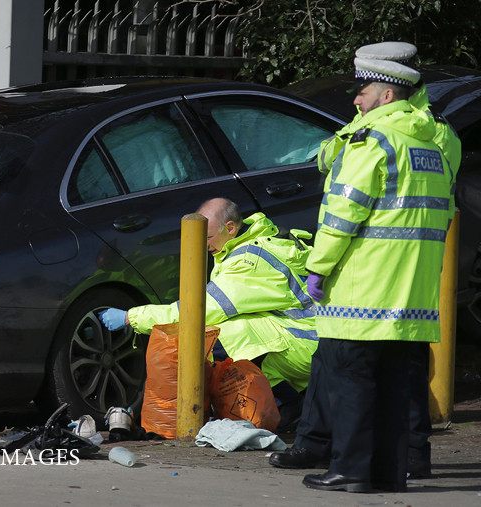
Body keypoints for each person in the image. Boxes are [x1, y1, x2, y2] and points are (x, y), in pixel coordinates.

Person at [270, 41, 461, 482]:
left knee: (351, 382)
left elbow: (341, 215)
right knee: (397, 385)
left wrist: (318, 268)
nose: (356, 99)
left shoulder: (373, 141)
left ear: (389, 94)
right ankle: (390, 472)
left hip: (363, 290)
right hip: (411, 293)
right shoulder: (433, 144)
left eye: (364, 90)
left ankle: (351, 471)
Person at [99, 198, 319, 428]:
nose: (203, 244)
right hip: (308, 336)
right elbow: (168, 268)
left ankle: (288, 409)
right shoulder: (254, 241)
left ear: (231, 228)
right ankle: (287, 406)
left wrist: (130, 317)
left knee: (219, 338)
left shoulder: (249, 262)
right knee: (236, 335)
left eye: (208, 237)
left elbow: (198, 311)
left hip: (306, 343)